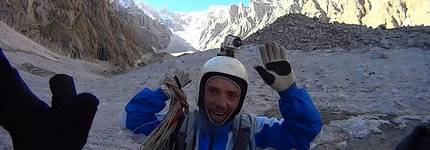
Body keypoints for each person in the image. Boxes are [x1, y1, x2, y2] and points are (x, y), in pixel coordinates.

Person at [120, 41, 323, 149]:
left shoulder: (253, 132)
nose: (221, 103)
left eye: (232, 95)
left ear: (240, 100)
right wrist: (163, 93)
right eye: (213, 91)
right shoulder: (177, 128)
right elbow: (132, 121)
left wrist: (289, 92)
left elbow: (306, 136)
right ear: (201, 93)